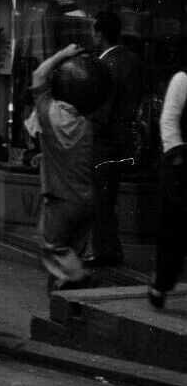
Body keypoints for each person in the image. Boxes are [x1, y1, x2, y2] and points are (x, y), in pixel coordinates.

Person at [28, 44, 111, 291]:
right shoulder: (87, 124)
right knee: (73, 251)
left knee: (52, 246)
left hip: (60, 198)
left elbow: (38, 75)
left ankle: (80, 276)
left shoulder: (49, 114)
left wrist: (62, 54)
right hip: (86, 199)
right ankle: (67, 304)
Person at [86, 11, 143, 268]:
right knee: (110, 195)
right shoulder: (132, 60)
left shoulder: (104, 65)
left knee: (101, 197)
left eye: (93, 32)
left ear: (100, 34)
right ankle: (111, 247)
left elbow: (102, 110)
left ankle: (105, 250)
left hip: (104, 141)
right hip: (122, 139)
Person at [148, 70, 187, 309]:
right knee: (173, 226)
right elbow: (169, 120)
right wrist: (177, 157)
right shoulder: (183, 79)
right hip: (180, 163)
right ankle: (161, 283)